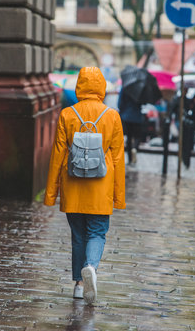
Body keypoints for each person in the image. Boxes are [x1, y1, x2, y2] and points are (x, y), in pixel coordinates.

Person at [44, 67, 126, 305]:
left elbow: (58, 155)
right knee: (98, 232)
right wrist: (118, 196)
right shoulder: (112, 116)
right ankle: (90, 267)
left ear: (80, 85)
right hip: (101, 186)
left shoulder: (67, 115)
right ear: (101, 86)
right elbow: (118, 158)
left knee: (78, 235)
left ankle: (79, 286)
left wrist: (51, 194)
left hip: (73, 184)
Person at [118, 85, 144, 165]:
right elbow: (143, 102)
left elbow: (120, 103)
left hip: (126, 117)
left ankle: (130, 159)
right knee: (137, 137)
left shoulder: (125, 87)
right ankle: (135, 148)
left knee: (128, 138)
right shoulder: (140, 88)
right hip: (137, 117)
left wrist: (122, 111)